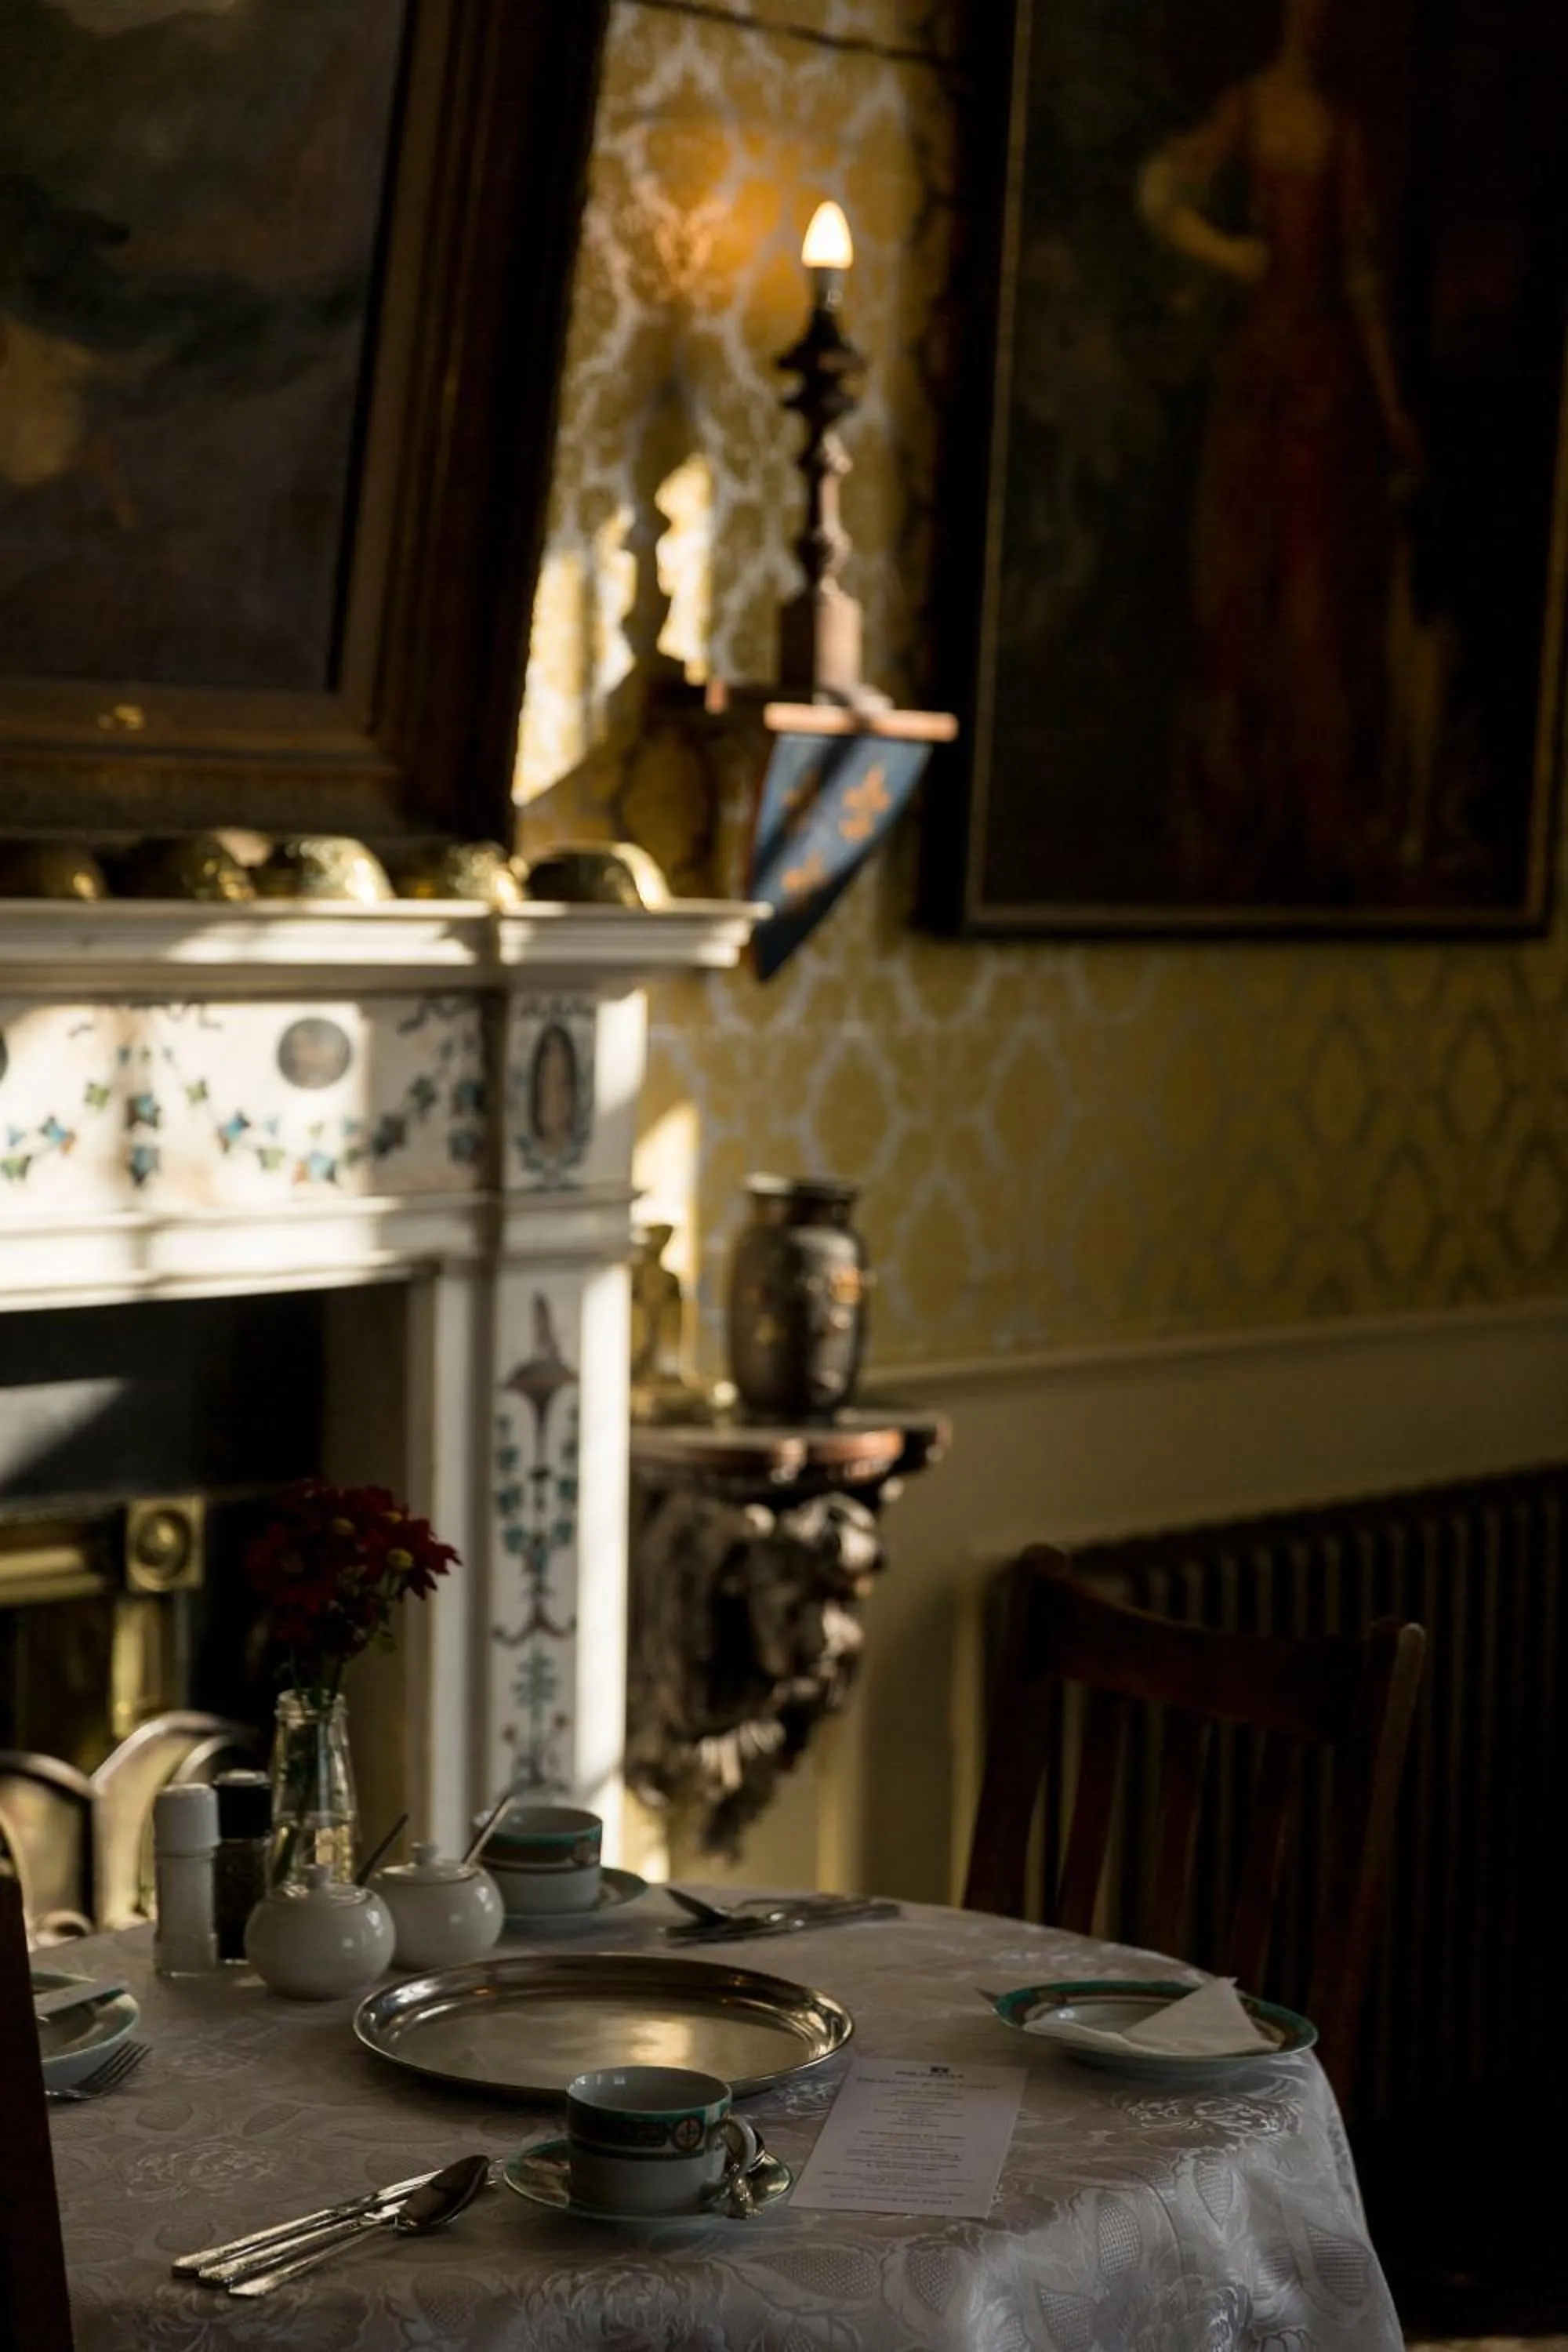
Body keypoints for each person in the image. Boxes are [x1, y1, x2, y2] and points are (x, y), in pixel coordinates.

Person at [1138, 0, 1420, 898]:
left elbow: (1362, 280)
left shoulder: (1338, 129)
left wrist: (1387, 411)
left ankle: (1311, 818)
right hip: (1264, 374)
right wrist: (1229, 258)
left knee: (1308, 597)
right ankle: (1229, 815)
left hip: (1314, 385)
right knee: (1231, 583)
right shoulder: (1251, 107)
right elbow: (1158, 193)